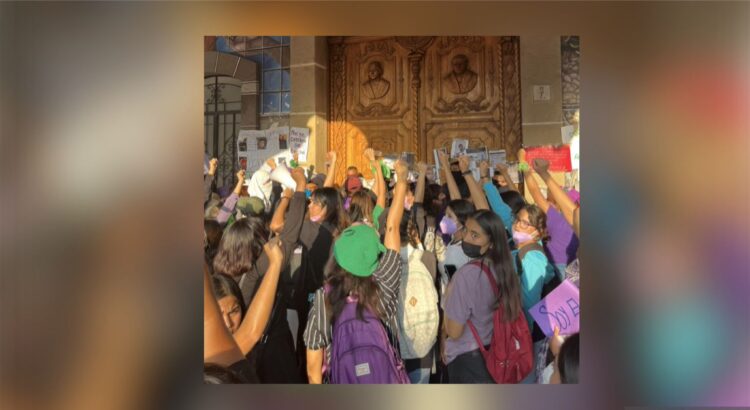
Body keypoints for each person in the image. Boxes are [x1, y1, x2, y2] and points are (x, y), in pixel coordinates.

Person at [303, 160, 409, 384]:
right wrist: (401, 180)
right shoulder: (384, 284)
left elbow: (313, 371)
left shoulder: (324, 298)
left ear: (338, 256)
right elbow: (391, 227)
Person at [442, 210, 522, 383]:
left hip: (467, 361)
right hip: (495, 354)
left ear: (491, 243)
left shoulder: (466, 275)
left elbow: (454, 332)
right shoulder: (505, 270)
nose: (466, 239)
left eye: (475, 235)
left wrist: (448, 297)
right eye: (466, 231)